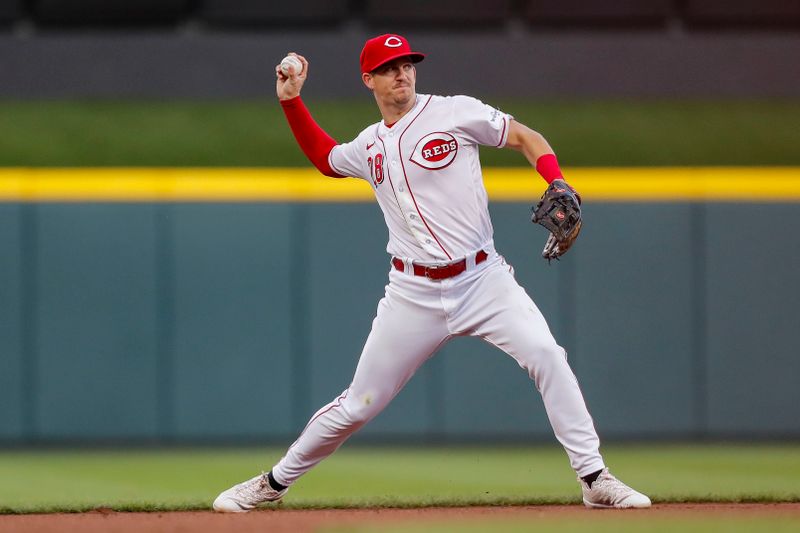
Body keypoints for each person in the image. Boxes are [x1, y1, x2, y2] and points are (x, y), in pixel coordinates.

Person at [213, 34, 651, 512]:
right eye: (389, 67)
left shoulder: (455, 112)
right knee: (360, 402)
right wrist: (292, 102)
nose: (402, 73)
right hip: (412, 291)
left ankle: (594, 477)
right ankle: (272, 484)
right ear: (369, 80)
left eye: (407, 64)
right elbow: (326, 160)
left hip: (483, 280)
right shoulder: (369, 145)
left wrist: (557, 179)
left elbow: (528, 137)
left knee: (547, 354)